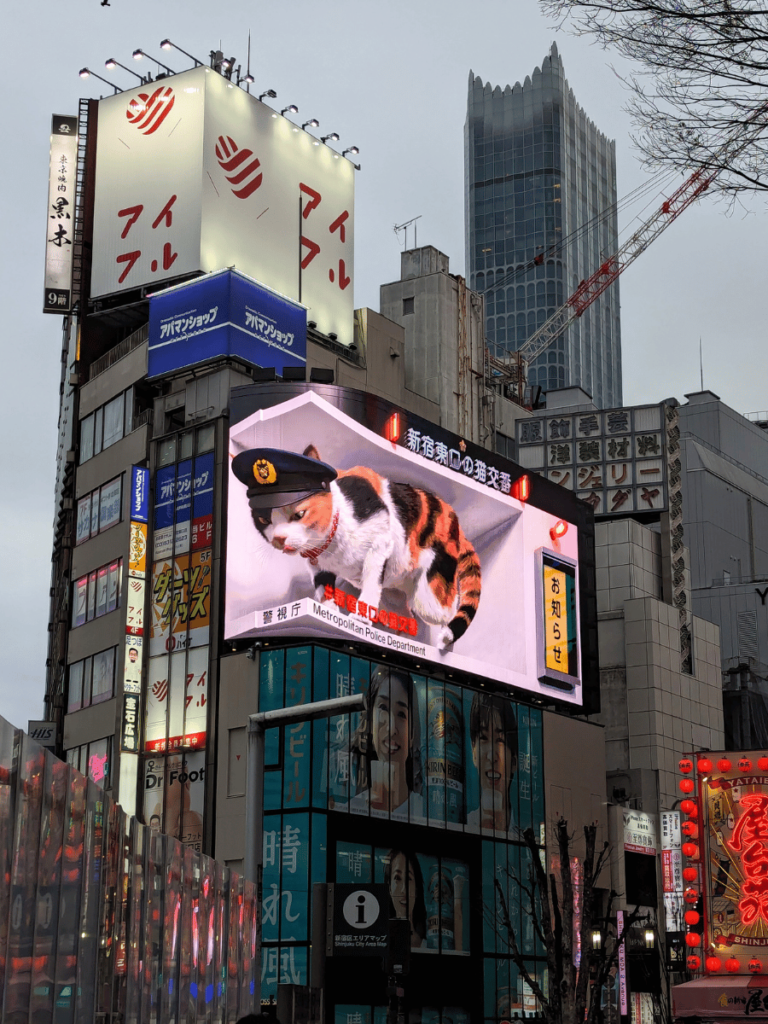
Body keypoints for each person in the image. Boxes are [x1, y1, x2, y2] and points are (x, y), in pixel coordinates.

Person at [349, 667, 423, 819]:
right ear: (369, 722)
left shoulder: (425, 812)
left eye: (401, 714)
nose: (391, 729)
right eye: (383, 707)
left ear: (412, 735)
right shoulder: (351, 810)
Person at [466, 693, 517, 832]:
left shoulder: (524, 834)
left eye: (500, 740)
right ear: (474, 752)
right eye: (483, 738)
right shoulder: (465, 825)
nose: (491, 755)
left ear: (514, 761)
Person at [384, 848, 427, 949]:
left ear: (416, 889)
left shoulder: (429, 946)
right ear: (389, 888)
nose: (404, 889)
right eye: (397, 878)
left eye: (408, 878)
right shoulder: (380, 942)